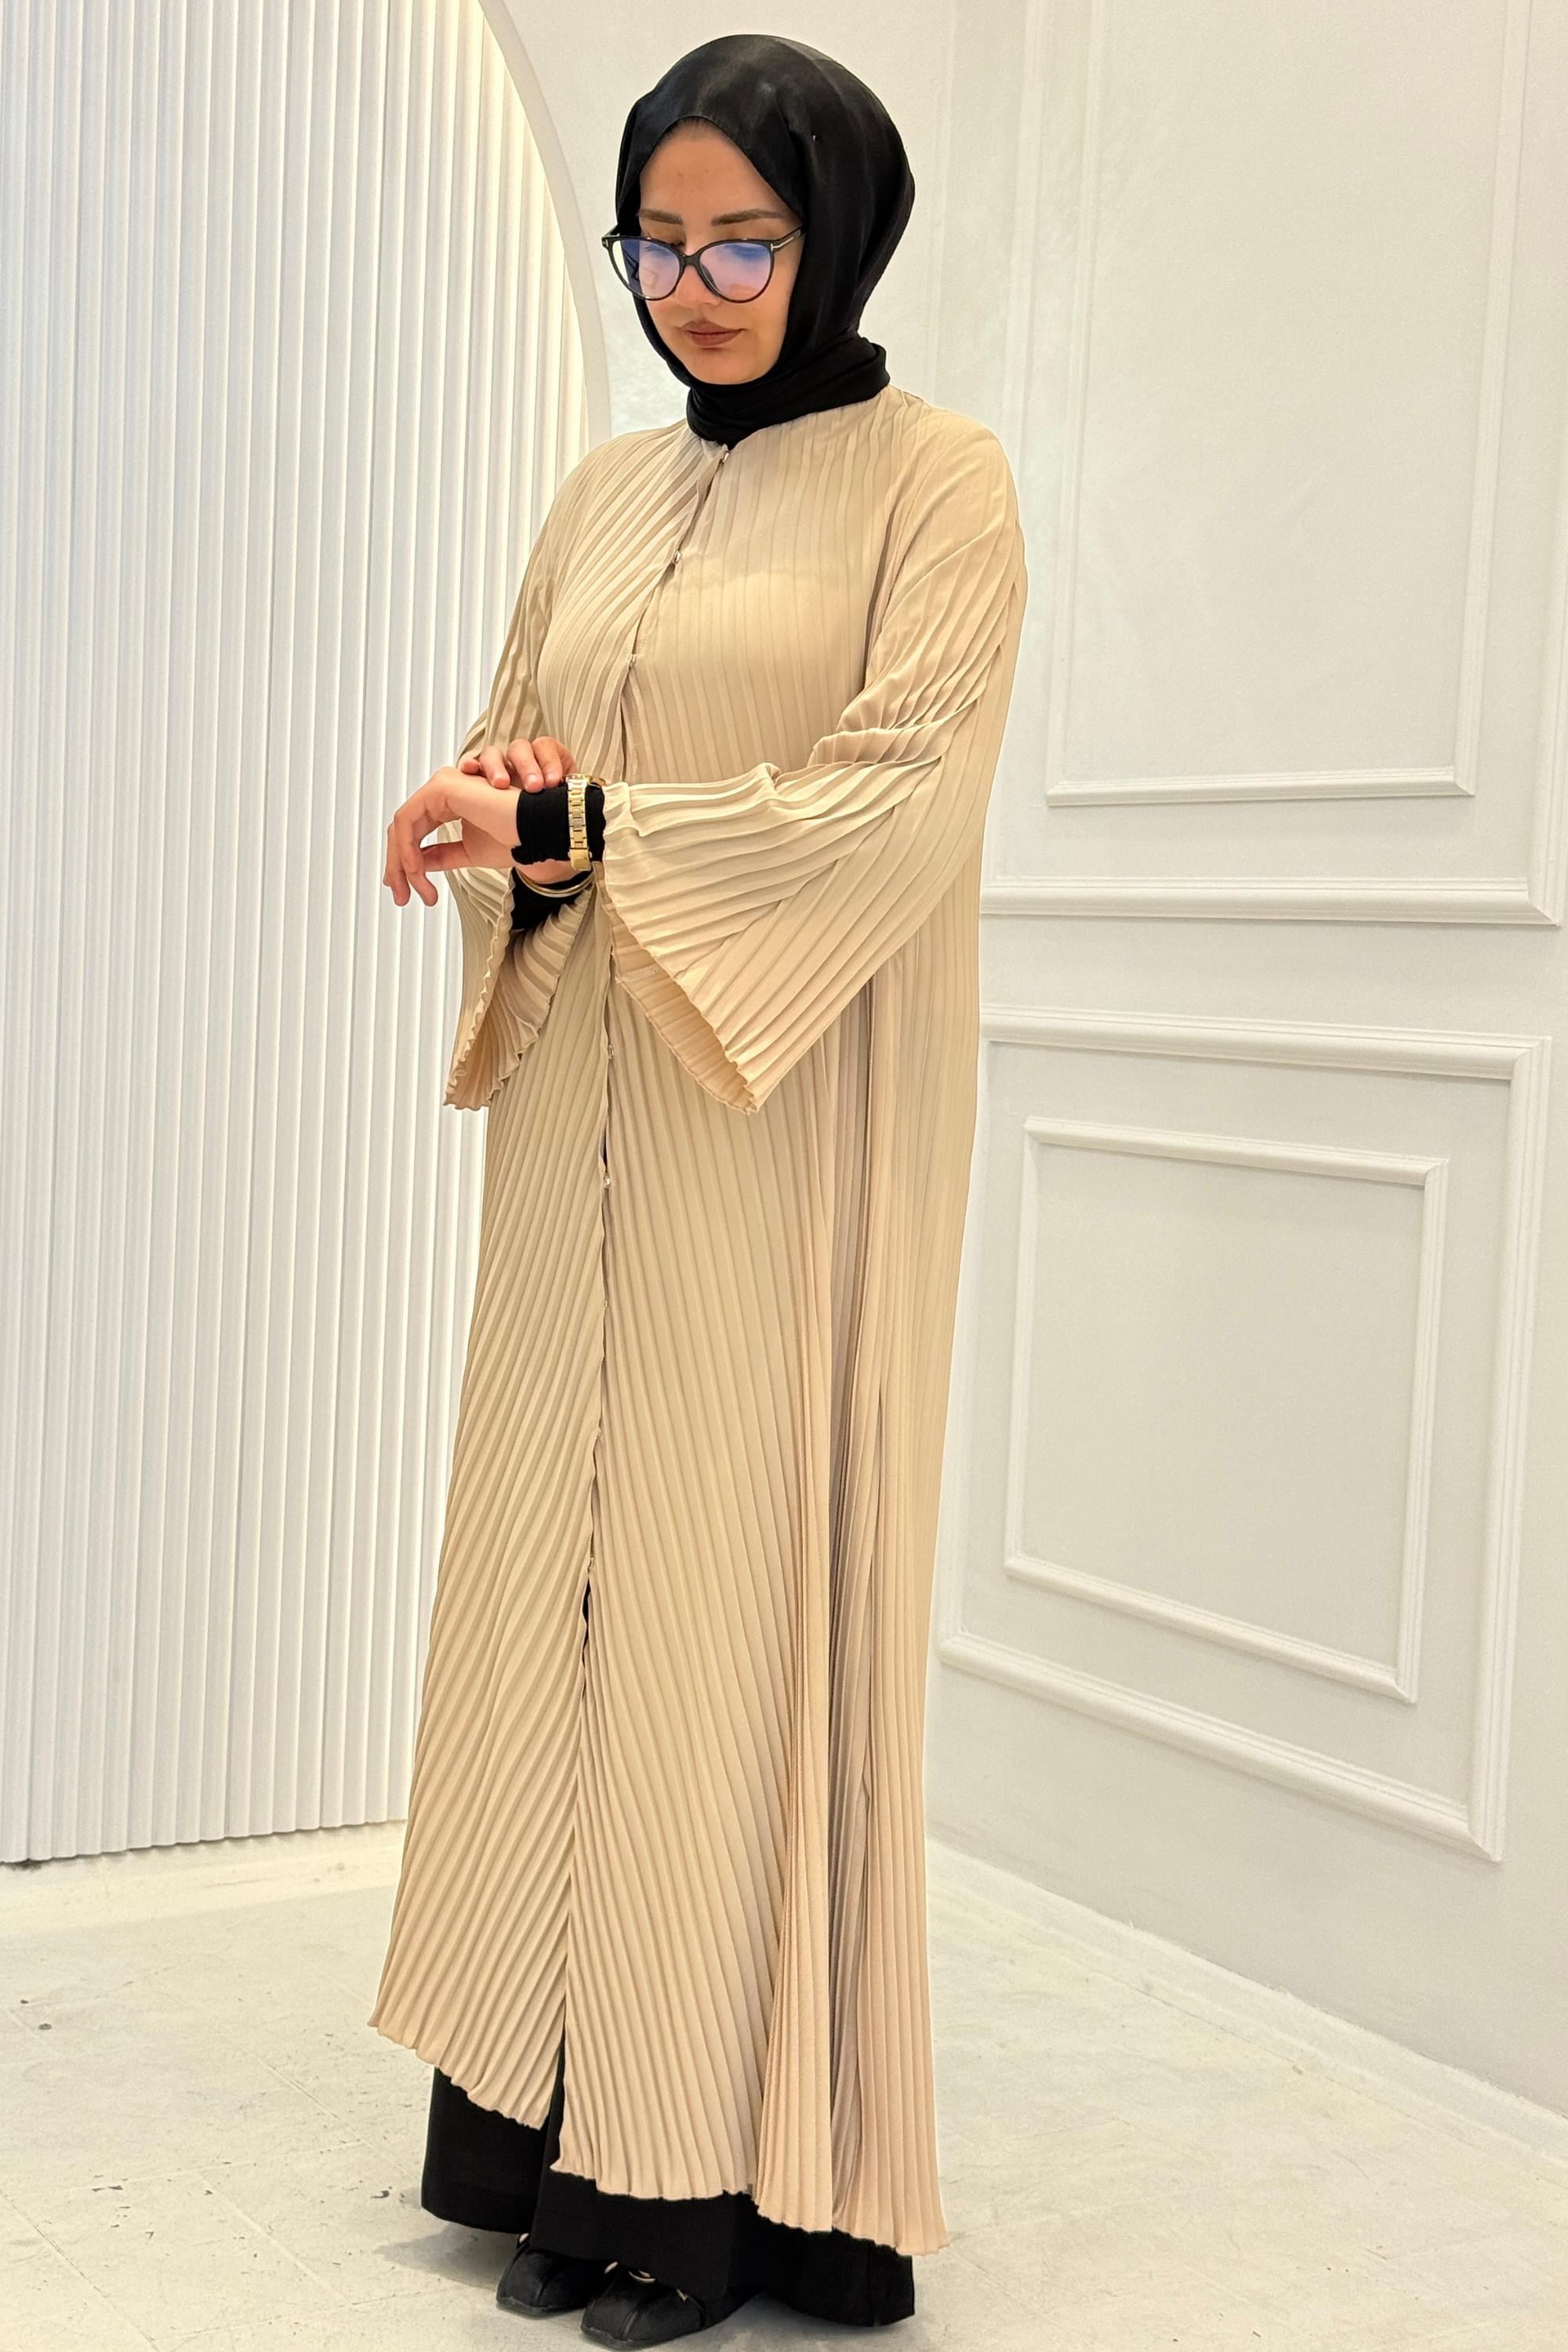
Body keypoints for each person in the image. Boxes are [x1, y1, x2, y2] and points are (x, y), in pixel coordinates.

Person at [373, 31, 1029, 2348]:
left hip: (783, 1143)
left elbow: (894, 803)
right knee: (548, 1602)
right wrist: (501, 813)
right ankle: (539, 2132)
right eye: (658, 245)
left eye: (743, 243)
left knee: (713, 1620)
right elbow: (529, 753)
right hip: (584, 1141)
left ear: (838, 233)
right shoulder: (602, 492)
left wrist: (585, 826)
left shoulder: (939, 484)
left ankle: (698, 2187)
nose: (696, 289)